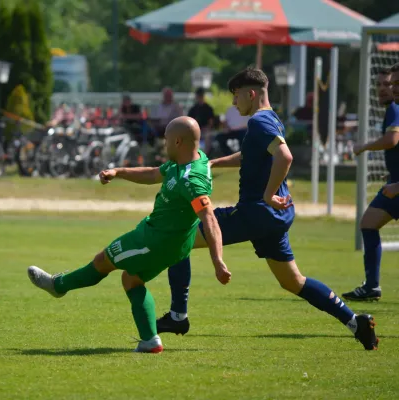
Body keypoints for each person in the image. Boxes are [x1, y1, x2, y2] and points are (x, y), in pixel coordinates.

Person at [155, 67, 379, 350]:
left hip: (256, 212)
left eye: (236, 97)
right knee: (293, 281)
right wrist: (213, 163)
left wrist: (269, 193)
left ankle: (178, 316)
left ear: (251, 93)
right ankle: (355, 322)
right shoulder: (271, 119)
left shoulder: (259, 122)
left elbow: (285, 157)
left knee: (177, 237)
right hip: (275, 217)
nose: (235, 104)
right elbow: (253, 155)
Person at [27, 117, 231, 353]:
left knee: (102, 262)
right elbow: (154, 174)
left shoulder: (191, 179)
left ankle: (58, 285)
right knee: (131, 279)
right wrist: (119, 172)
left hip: (153, 241)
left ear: (177, 141)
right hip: (171, 243)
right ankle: (150, 341)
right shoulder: (193, 160)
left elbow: (210, 218)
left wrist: (218, 261)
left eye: (166, 140)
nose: (163, 145)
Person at [342, 65, 399, 301]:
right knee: (368, 223)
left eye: (391, 84)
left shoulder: (395, 109)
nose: (386, 90)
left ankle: (372, 285)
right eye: (382, 85)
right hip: (394, 183)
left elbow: (392, 139)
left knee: (368, 223)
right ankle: (372, 286)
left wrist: (364, 146)